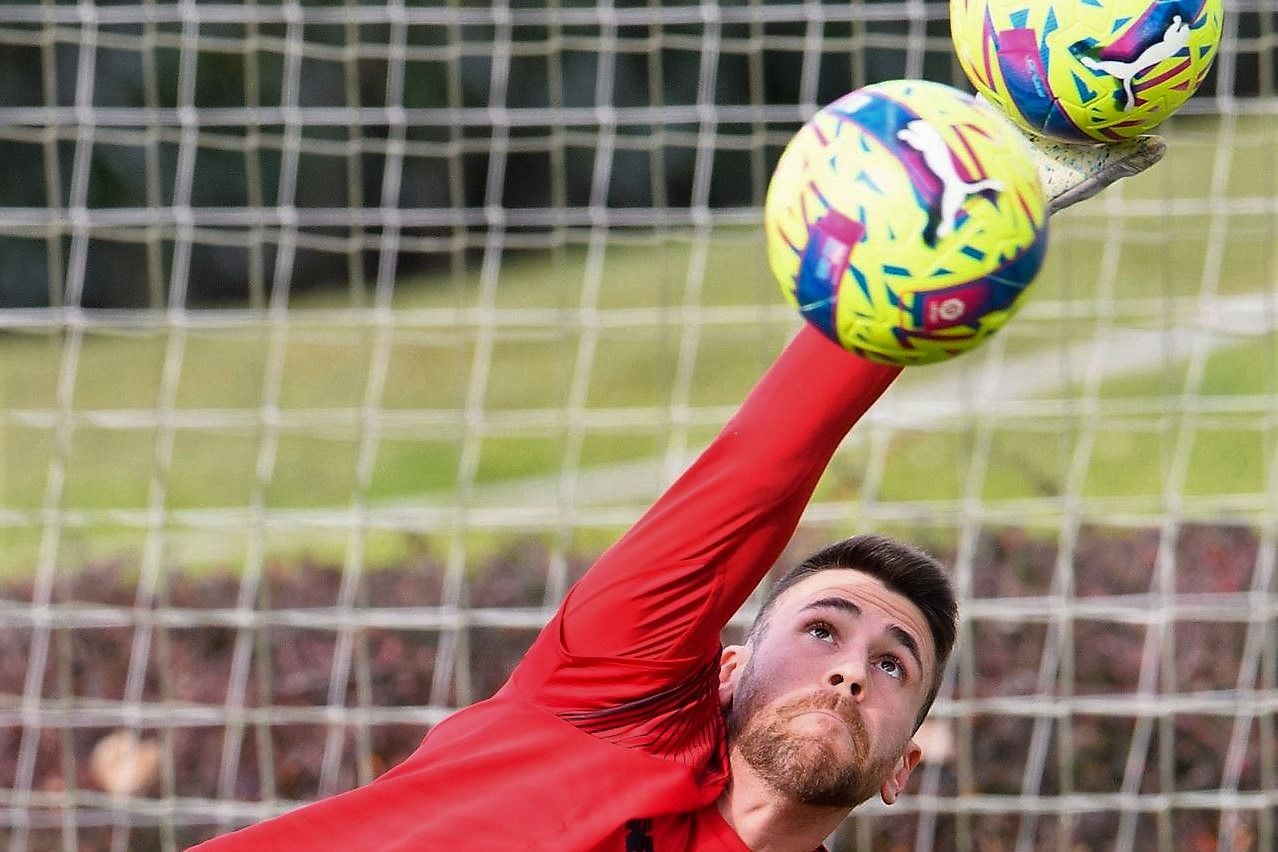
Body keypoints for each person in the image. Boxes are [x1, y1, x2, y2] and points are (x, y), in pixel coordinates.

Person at [194, 134, 1162, 852]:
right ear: (731, 667)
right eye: (823, 629)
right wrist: (958, 228)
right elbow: (760, 469)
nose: (851, 672)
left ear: (903, 769)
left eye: (894, 667)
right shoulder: (608, 696)